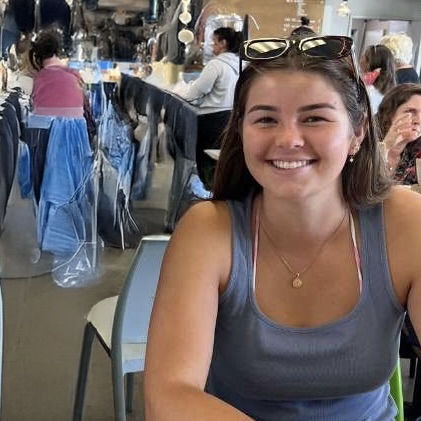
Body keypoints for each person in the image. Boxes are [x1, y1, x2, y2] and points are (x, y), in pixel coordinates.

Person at [144, 35, 421, 420]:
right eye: (266, 119)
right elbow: (169, 394)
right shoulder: (208, 232)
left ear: (357, 132)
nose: (288, 139)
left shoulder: (405, 223)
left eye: (314, 118)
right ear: (241, 131)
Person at [179, 26, 243, 111]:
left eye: (214, 42)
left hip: (211, 114)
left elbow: (193, 93)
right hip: (230, 113)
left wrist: (181, 91)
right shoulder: (241, 64)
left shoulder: (216, 65)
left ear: (223, 43)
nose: (211, 45)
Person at [29, 28, 85, 118]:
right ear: (57, 52)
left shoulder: (38, 78)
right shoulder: (75, 75)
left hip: (44, 123)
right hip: (76, 124)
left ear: (37, 58)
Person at [377, 83, 421, 184]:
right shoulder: (363, 142)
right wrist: (386, 145)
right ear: (389, 113)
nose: (419, 120)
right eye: (411, 111)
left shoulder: (417, 151)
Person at [360, 44, 396, 113]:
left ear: (368, 63)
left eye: (363, 57)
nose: (360, 60)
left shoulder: (367, 91)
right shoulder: (391, 93)